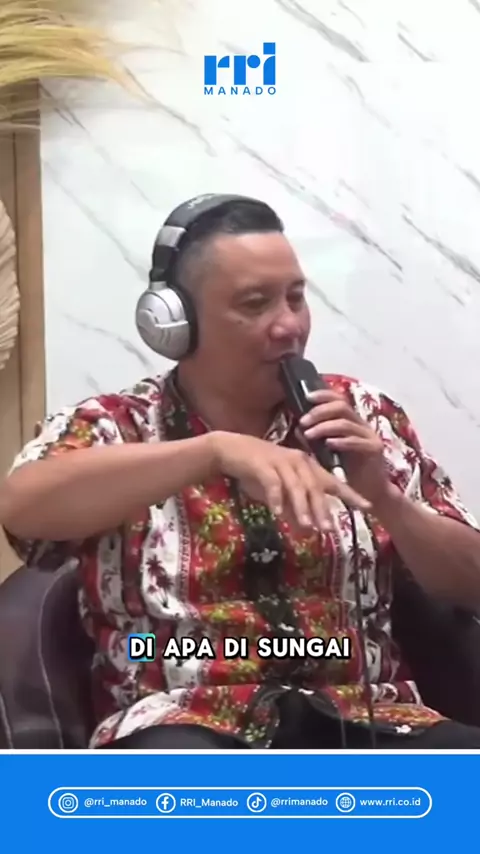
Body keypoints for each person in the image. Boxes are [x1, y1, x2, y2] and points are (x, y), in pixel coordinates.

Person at [1, 193, 480, 751]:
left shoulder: (362, 415)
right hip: (183, 722)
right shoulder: (116, 425)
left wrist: (386, 499)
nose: (289, 326)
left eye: (296, 298)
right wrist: (211, 453)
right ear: (176, 324)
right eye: (256, 304)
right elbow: (23, 507)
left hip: (368, 714)